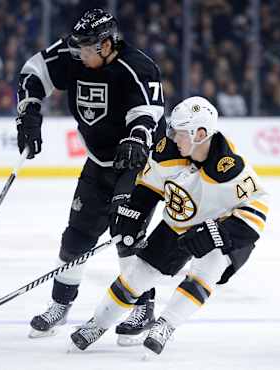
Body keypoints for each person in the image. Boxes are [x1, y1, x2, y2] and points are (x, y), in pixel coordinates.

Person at [70, 96, 269, 356]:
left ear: (200, 133)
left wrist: (215, 235)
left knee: (205, 273)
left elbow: (257, 211)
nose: (173, 137)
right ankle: (97, 324)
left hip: (221, 227)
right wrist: (133, 216)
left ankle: (165, 325)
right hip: (179, 222)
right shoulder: (169, 151)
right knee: (136, 275)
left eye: (180, 132)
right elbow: (148, 188)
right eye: (172, 130)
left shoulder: (229, 168)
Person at [15, 8, 167, 341]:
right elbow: (34, 71)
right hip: (99, 162)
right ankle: (60, 305)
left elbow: (149, 112)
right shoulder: (75, 55)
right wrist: (29, 111)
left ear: (107, 43)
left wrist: (136, 138)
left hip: (138, 164)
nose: (79, 53)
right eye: (78, 46)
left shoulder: (137, 66)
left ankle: (143, 307)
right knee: (76, 238)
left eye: (87, 47)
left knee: (126, 236)